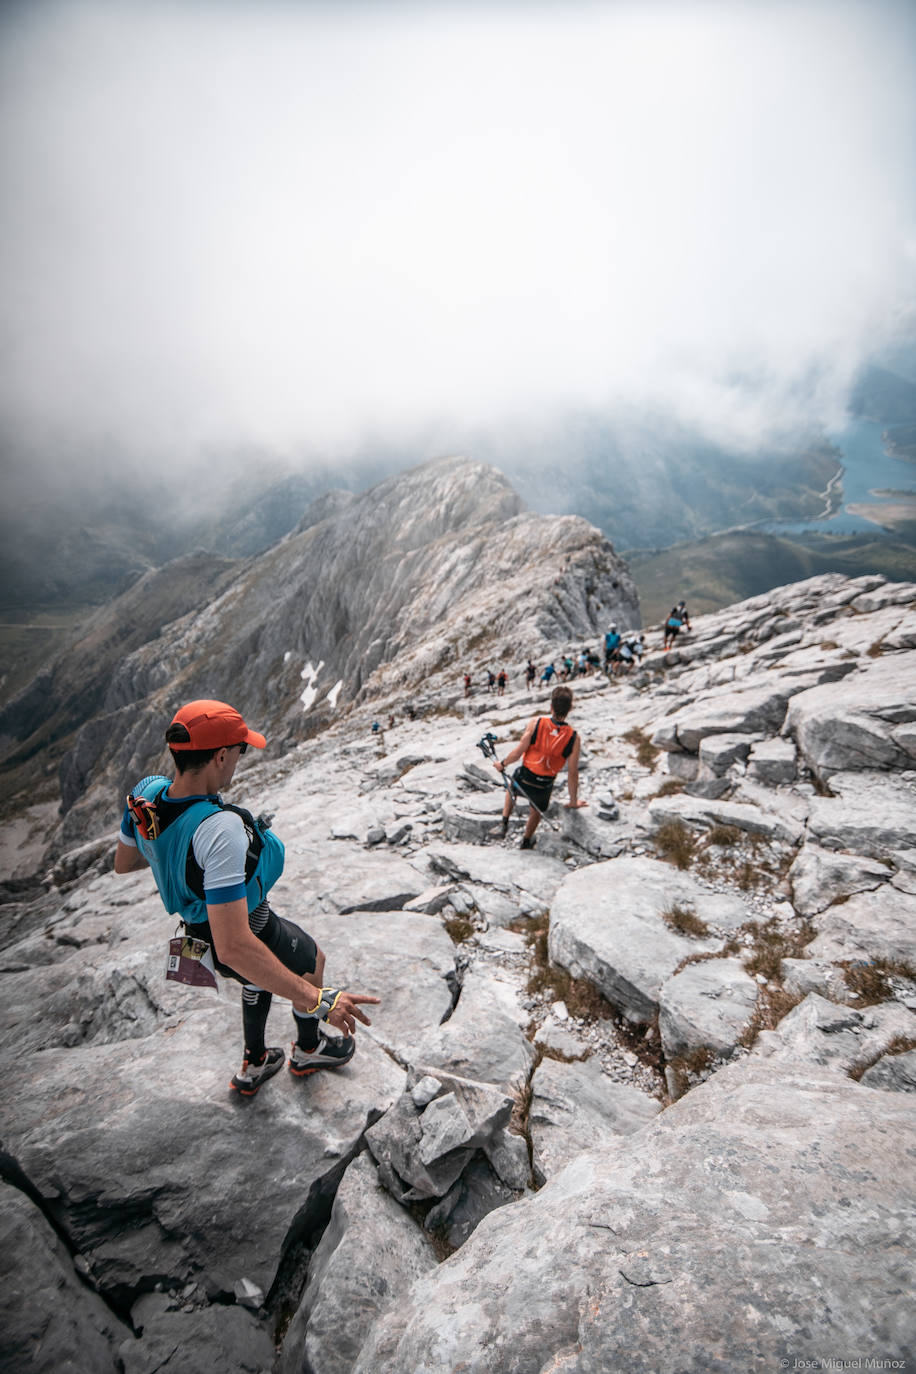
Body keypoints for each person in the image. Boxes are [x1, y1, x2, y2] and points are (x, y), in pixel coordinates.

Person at [114, 699, 379, 1097]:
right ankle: (309, 1049)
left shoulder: (146, 793)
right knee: (311, 960)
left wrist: (169, 854)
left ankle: (255, 1061)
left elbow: (125, 861)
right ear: (221, 756)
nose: (241, 758)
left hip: (197, 934)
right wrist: (320, 1000)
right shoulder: (219, 830)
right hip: (247, 931)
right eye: (240, 750)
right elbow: (237, 946)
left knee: (256, 979)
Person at [490, 685, 587, 849]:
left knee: (512, 786)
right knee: (536, 811)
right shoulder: (574, 737)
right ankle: (526, 840)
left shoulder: (536, 723)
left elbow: (518, 752)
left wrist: (502, 764)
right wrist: (573, 801)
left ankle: (504, 823)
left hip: (525, 777)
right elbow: (572, 772)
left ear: (551, 706)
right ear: (570, 708)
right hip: (544, 783)